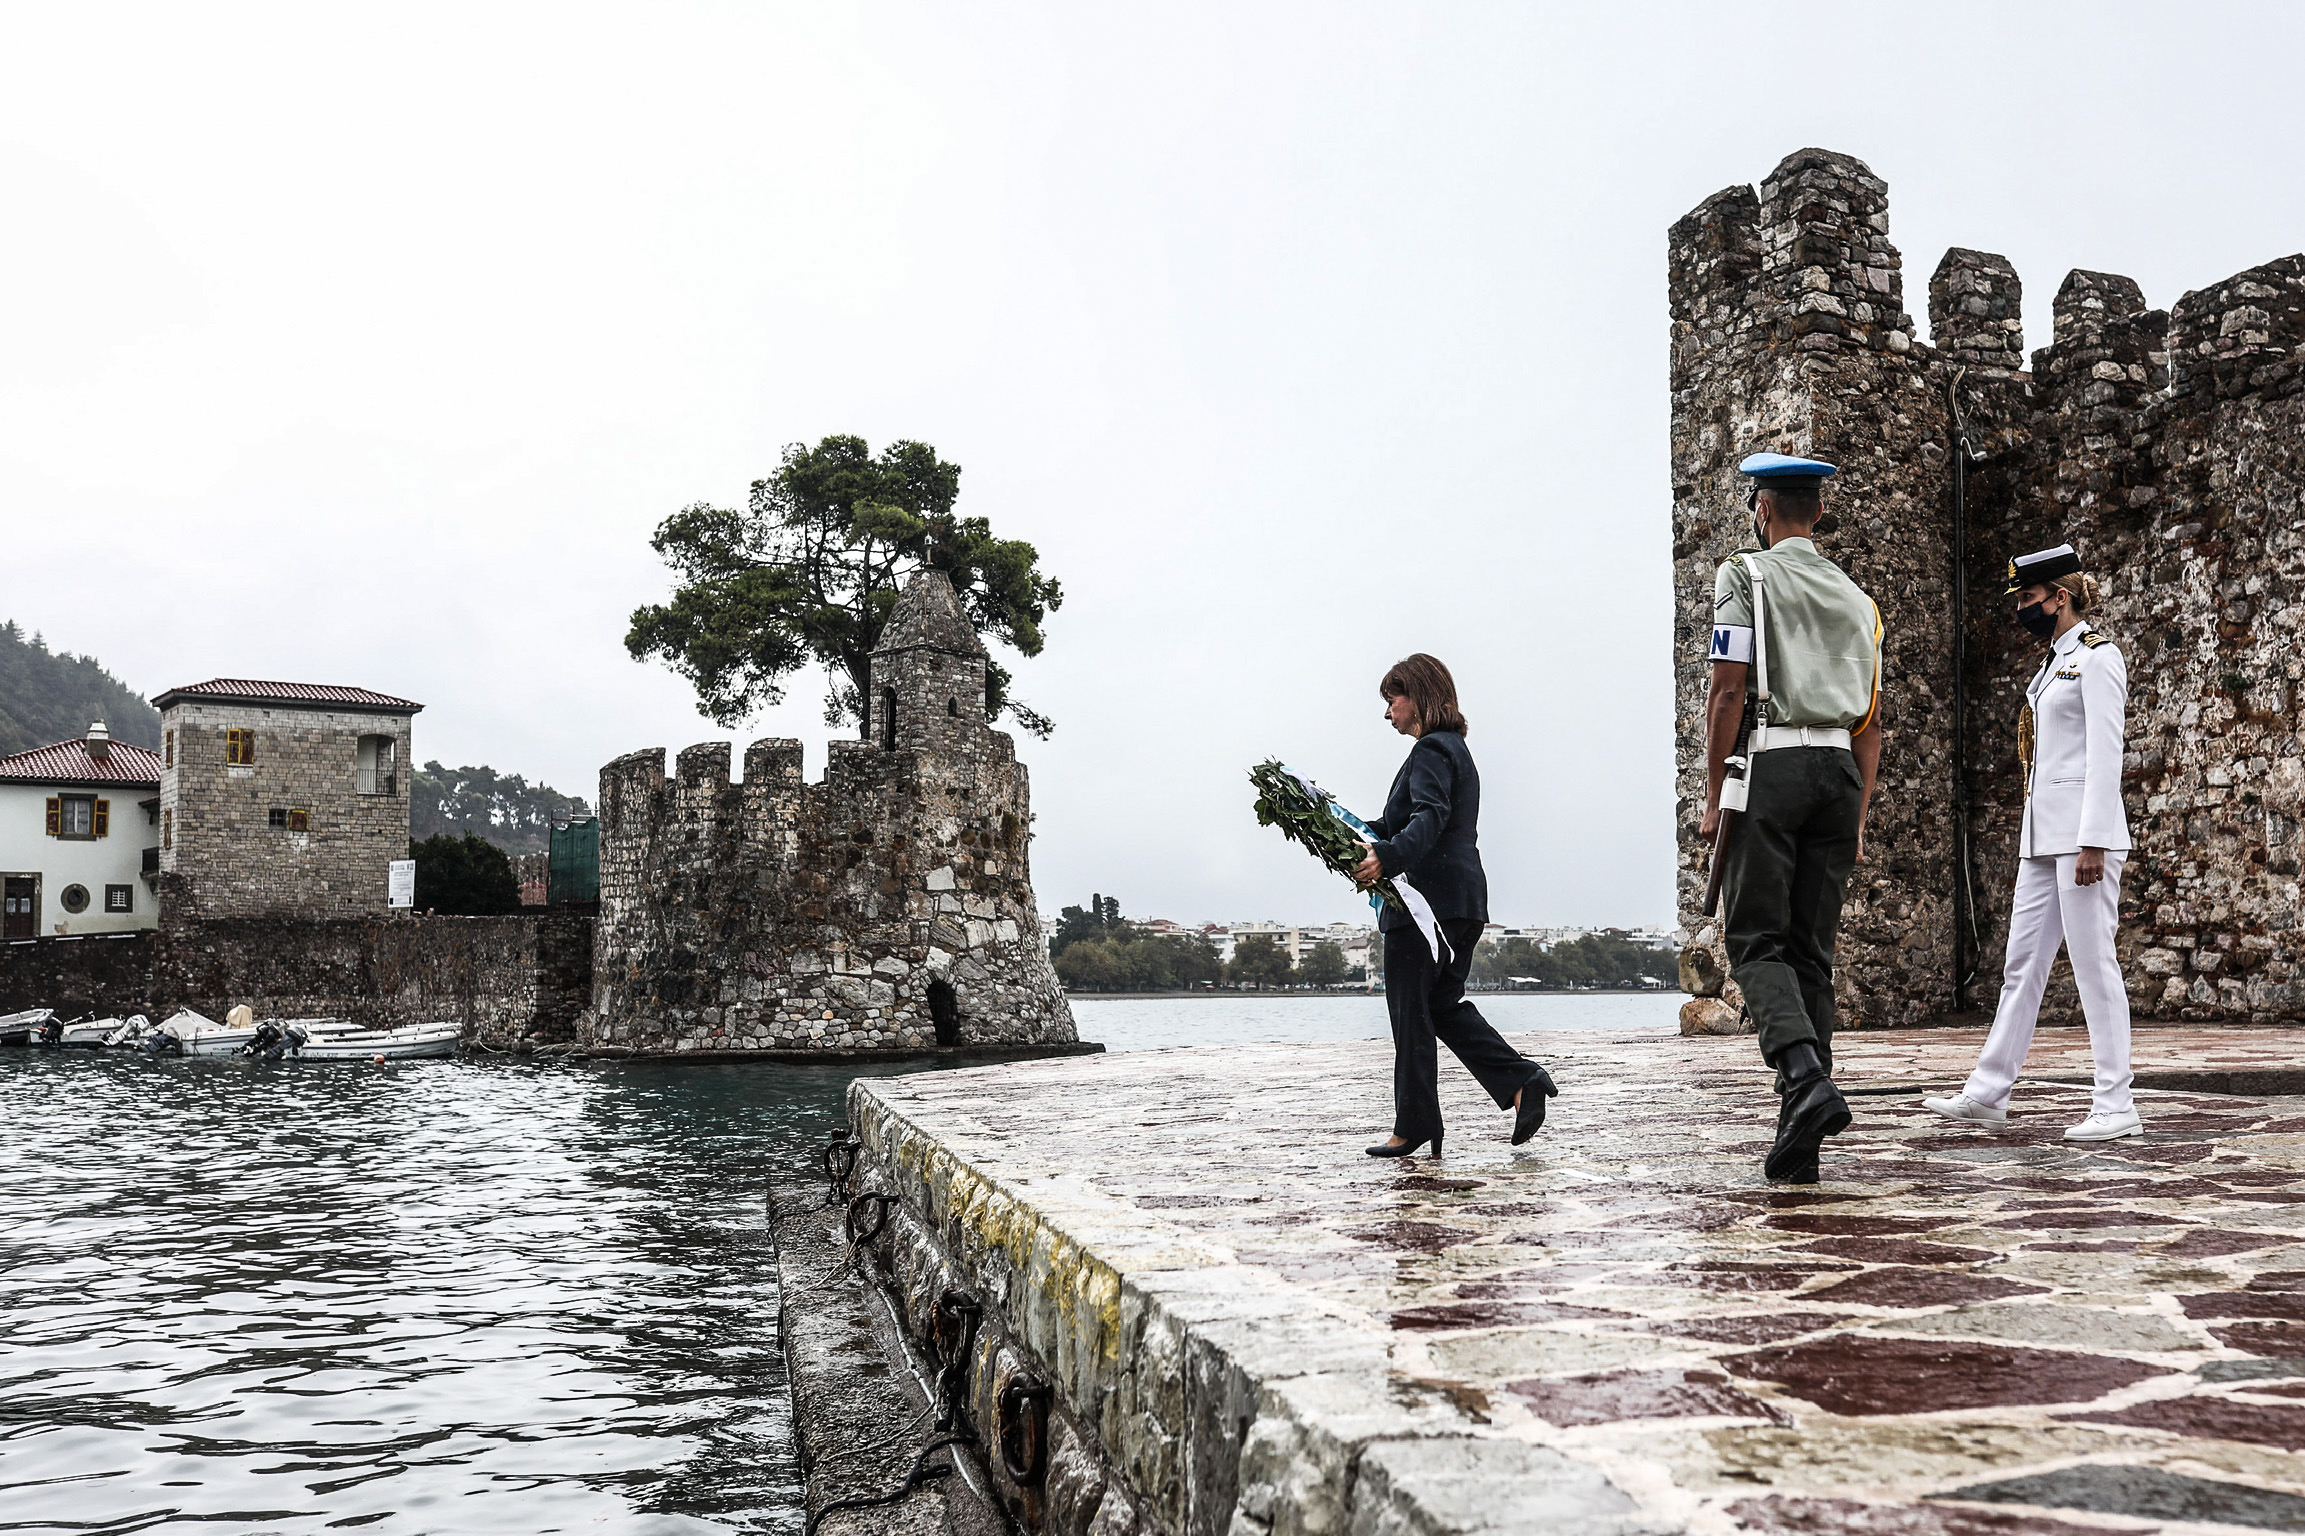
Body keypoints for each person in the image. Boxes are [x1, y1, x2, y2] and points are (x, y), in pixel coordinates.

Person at [1699, 453, 1883, 1183]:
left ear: (1763, 509)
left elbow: (1726, 692)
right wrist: (1860, 811)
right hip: (1839, 773)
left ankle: (1803, 1077)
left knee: (1753, 941)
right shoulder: (1858, 601)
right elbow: (1871, 723)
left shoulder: (1743, 576)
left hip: (1771, 764)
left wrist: (1714, 792)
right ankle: (1799, 1133)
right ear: (1818, 513)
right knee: (1811, 951)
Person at [1924, 545, 2139, 1140]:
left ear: (2059, 597)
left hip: (2082, 840)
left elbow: (2105, 754)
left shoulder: (2098, 658)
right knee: (2021, 966)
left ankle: (2116, 1103)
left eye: (2028, 598)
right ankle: (1989, 1091)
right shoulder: (2050, 665)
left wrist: (2094, 839)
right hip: (2042, 837)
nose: (2022, 608)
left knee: (2095, 964)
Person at [1352, 654, 1556, 1158]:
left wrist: (1388, 856)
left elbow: (1430, 816)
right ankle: (1521, 1081)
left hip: (1426, 907)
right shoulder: (1455, 751)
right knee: (1440, 1005)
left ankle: (1416, 1123)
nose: (1387, 713)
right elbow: (1408, 821)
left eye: (1392, 701)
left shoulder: (1430, 752)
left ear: (1417, 698)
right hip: (1464, 903)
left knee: (1409, 1012)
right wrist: (1350, 831)